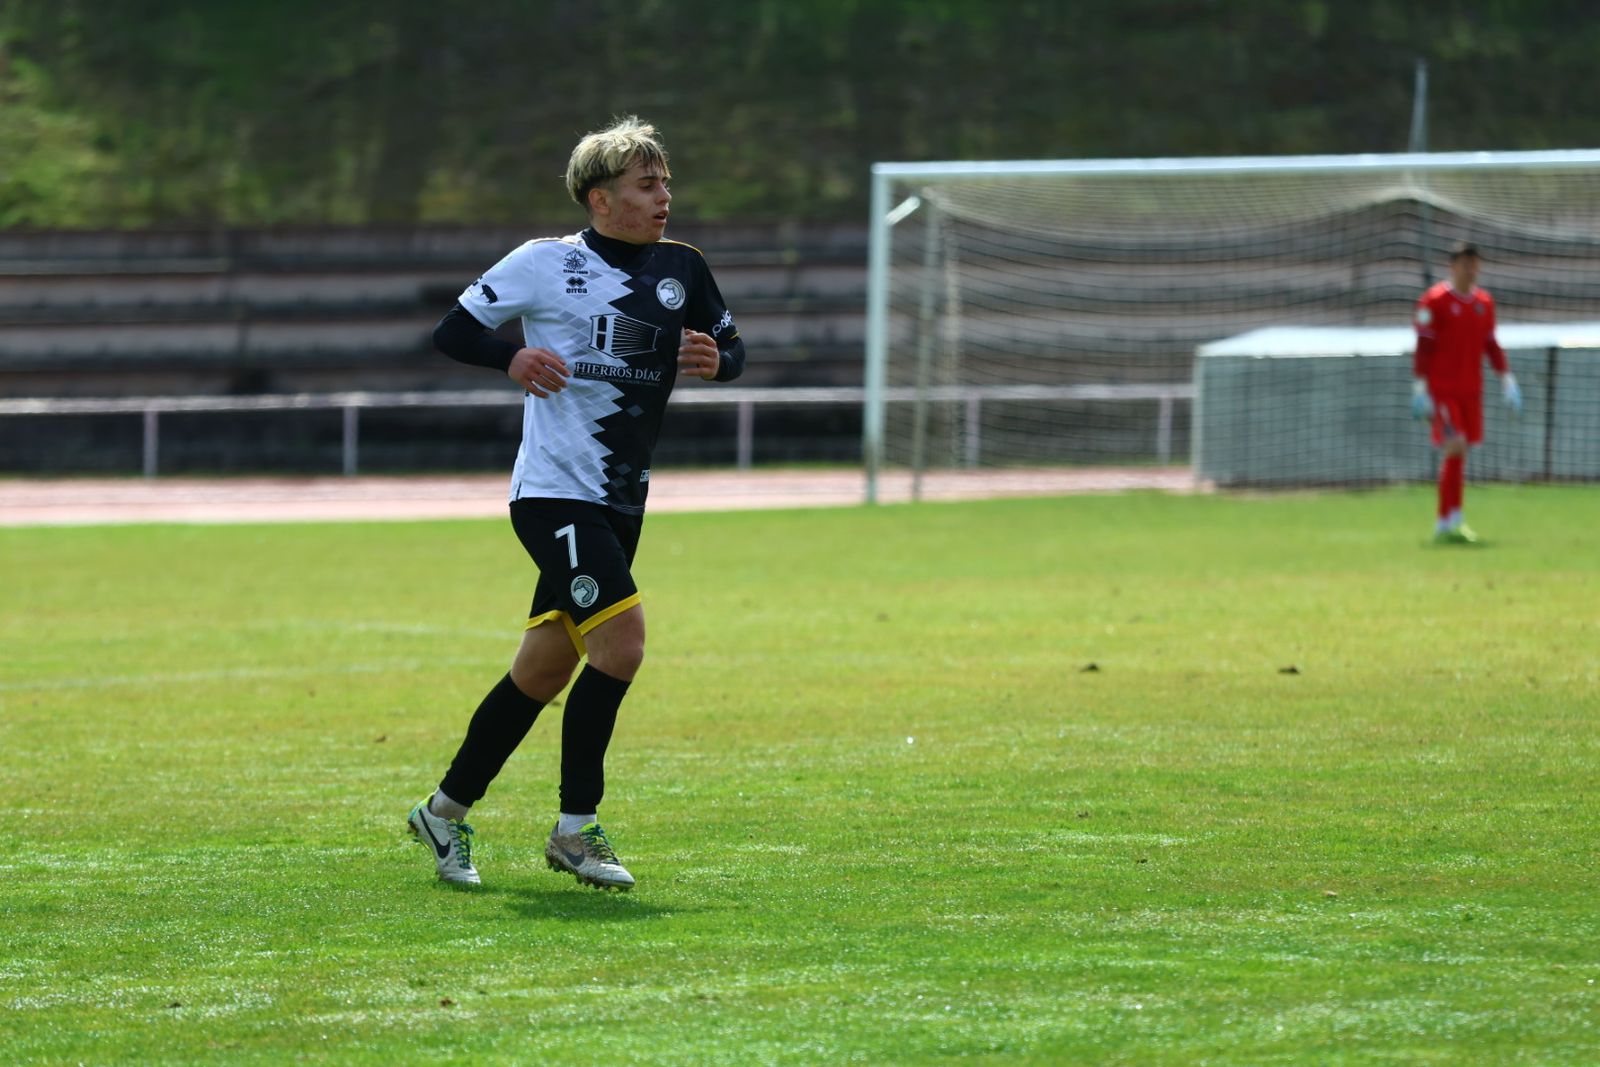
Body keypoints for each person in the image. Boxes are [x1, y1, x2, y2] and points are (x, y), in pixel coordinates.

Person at [406, 116, 745, 890]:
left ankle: (444, 811)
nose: (664, 196)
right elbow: (452, 330)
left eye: (665, 182)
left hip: (623, 500)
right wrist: (511, 354)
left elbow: (732, 345)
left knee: (541, 670)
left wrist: (717, 361)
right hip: (554, 493)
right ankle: (573, 829)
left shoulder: (682, 268)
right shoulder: (544, 263)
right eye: (646, 184)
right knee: (621, 646)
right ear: (600, 197)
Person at [1410, 241, 1521, 544]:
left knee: (1461, 453)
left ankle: (1451, 522)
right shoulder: (1433, 301)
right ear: (1453, 265)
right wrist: (1420, 387)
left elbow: (1491, 344)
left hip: (1471, 391)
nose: (1470, 268)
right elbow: (1424, 347)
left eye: (1474, 263)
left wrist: (1506, 378)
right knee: (1455, 445)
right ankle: (1446, 522)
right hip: (1442, 390)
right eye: (1464, 263)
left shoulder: (1484, 302)